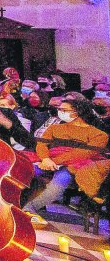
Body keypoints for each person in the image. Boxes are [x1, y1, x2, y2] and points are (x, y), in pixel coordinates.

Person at [24, 96, 109, 224]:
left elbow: (84, 154)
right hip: (48, 160)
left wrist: (54, 162)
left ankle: (30, 208)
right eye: (59, 109)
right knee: (26, 170)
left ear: (77, 112)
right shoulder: (55, 128)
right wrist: (46, 159)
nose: (60, 112)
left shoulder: (99, 134)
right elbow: (41, 145)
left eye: (64, 110)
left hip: (77, 166)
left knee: (62, 178)